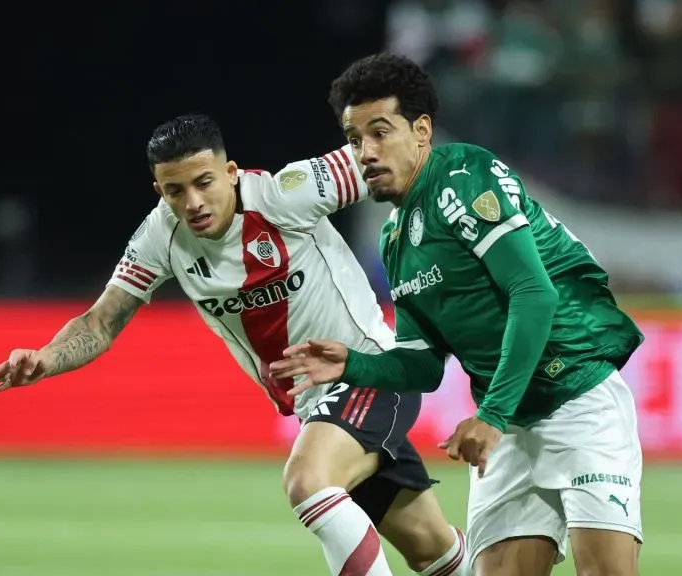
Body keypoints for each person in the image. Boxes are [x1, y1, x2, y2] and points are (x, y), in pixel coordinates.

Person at [0, 114, 468, 576]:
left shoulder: (287, 193)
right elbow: (102, 322)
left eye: (204, 182)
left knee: (307, 482)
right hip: (316, 406)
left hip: (371, 371)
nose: (192, 201)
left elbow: (387, 157)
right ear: (159, 191)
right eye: (175, 190)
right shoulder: (161, 236)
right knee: (433, 552)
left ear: (230, 173)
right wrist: (46, 356)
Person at [270, 54, 646, 576]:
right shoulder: (396, 240)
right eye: (354, 140)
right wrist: (353, 364)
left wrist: (490, 417)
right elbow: (422, 365)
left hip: (576, 399)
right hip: (508, 426)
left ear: (421, 130)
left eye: (380, 133)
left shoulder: (463, 177)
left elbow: (534, 294)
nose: (365, 153)